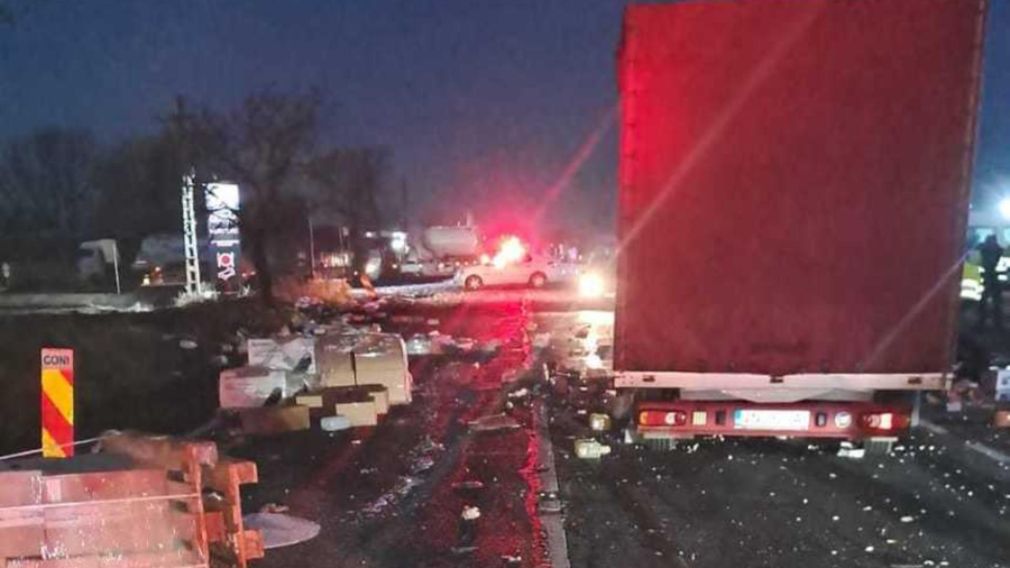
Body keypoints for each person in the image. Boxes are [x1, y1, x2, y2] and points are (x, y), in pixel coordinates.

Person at [978, 234, 1004, 329]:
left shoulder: (983, 249)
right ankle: (997, 323)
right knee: (996, 302)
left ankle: (982, 322)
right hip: (994, 279)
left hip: (987, 279)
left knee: (984, 302)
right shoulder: (999, 250)